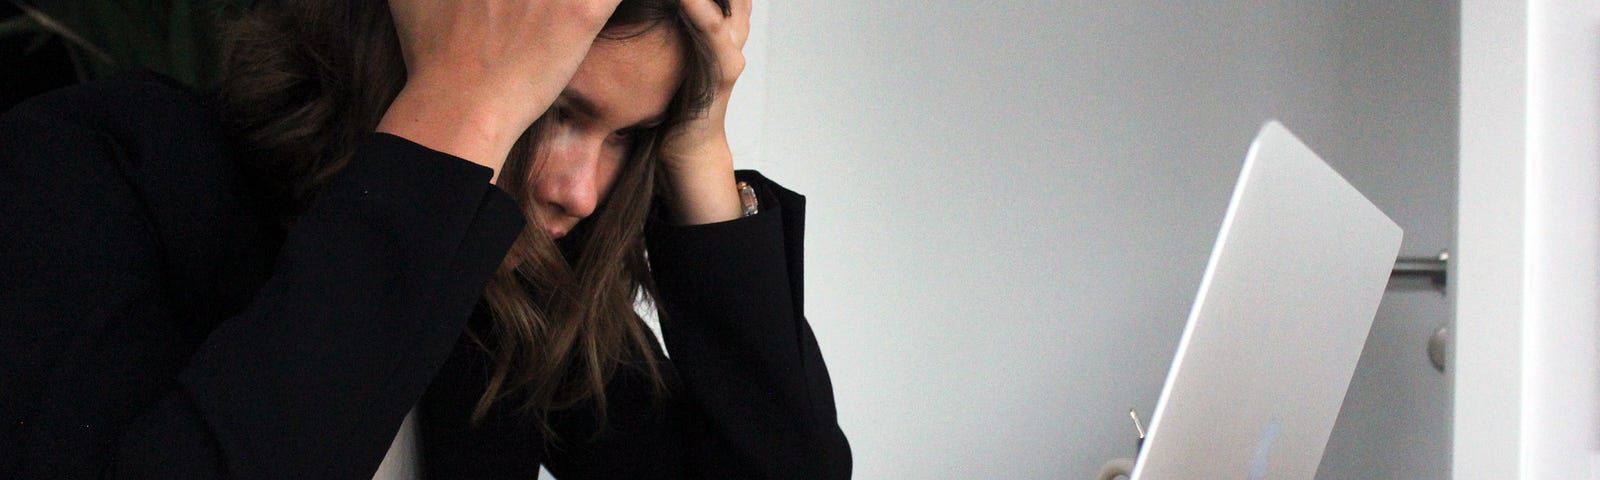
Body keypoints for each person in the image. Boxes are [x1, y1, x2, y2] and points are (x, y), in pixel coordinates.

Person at [0, 0, 851, 478]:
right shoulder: (89, 165)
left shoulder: (509, 291)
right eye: (556, 108)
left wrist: (698, 144)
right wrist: (463, 114)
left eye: (630, 136)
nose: (580, 191)